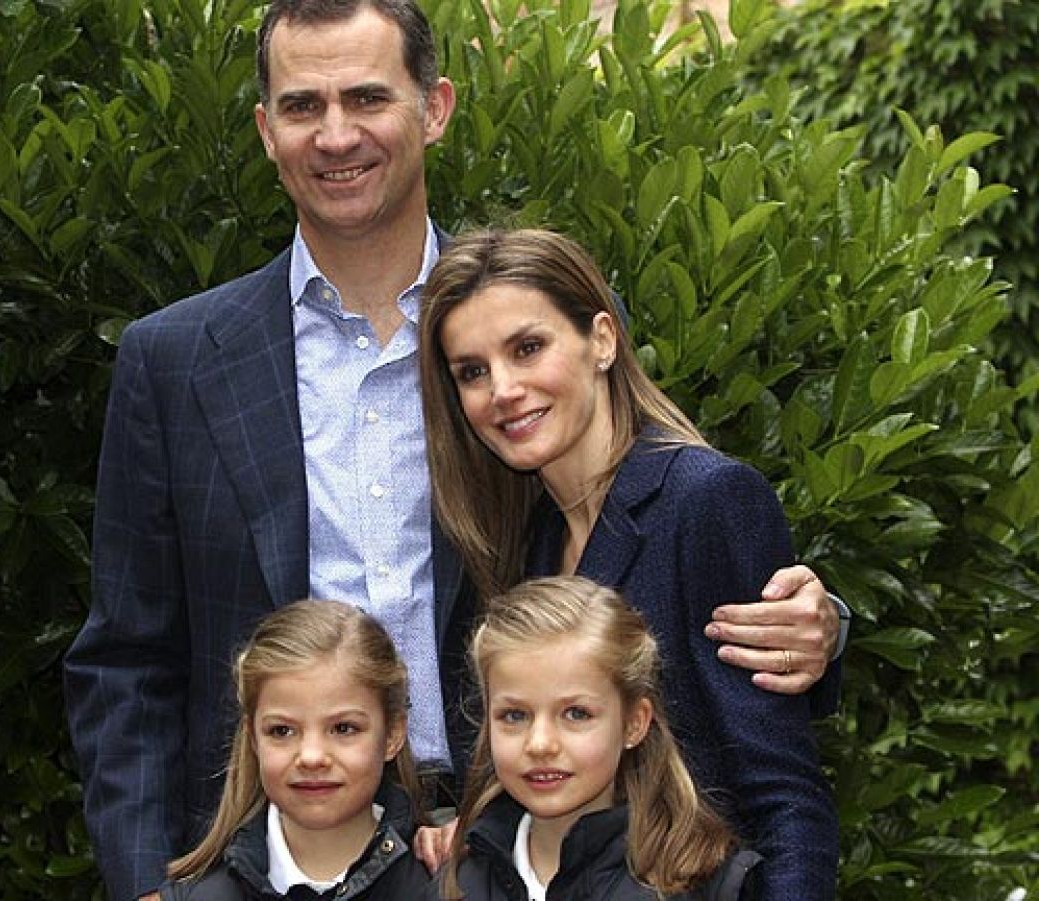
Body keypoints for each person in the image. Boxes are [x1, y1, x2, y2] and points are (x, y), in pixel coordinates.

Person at [64, 4, 841, 900]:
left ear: (433, 108)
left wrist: (818, 624)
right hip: (268, 857)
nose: (337, 135)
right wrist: (145, 882)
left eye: (367, 97)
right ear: (267, 130)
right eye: (303, 105)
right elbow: (127, 659)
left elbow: (651, 523)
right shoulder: (173, 361)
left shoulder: (514, 327)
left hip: (512, 848)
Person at [418, 228, 839, 899]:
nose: (503, 388)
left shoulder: (706, 500)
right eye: (472, 371)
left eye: (527, 348)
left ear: (603, 341)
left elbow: (783, 793)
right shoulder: (520, 538)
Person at [435, 576, 763, 901]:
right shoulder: (453, 883)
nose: (540, 744)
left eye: (576, 714)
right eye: (514, 716)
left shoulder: (702, 884)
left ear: (634, 723)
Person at [159, 599, 432, 900]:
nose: (311, 757)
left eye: (344, 728)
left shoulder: (444, 886)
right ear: (253, 738)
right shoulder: (194, 896)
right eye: (282, 731)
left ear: (393, 734)